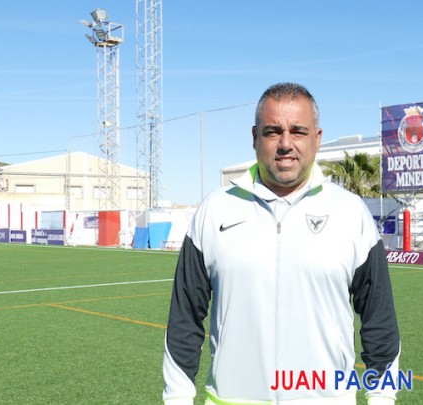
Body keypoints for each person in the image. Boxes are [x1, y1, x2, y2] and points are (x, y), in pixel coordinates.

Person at [163, 82, 401, 405]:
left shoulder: (350, 213)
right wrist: (177, 398)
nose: (286, 144)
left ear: (317, 138)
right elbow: (185, 317)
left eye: (298, 131)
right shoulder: (215, 210)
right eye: (273, 131)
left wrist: (382, 397)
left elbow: (379, 320)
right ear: (255, 137)